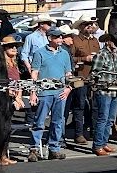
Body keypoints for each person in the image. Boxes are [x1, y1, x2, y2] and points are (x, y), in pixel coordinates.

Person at [28, 28, 72, 162]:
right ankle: (34, 149)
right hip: (44, 93)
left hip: (60, 93)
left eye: (61, 37)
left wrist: (68, 88)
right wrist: (33, 92)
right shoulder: (39, 53)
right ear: (50, 38)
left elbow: (68, 74)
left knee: (58, 122)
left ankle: (54, 149)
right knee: (39, 122)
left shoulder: (64, 53)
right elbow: (34, 73)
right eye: (57, 37)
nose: (60, 39)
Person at [90, 33, 117, 156]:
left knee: (110, 119)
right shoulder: (101, 55)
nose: (116, 45)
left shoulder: (116, 55)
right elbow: (94, 74)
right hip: (103, 91)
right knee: (103, 118)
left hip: (115, 91)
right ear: (108, 42)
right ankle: (97, 145)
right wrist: (102, 81)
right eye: (114, 43)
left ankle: (104, 143)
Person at [71, 16, 100, 145]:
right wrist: (84, 59)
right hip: (80, 76)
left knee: (95, 105)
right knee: (80, 105)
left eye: (91, 24)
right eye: (86, 24)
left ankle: (94, 131)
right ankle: (79, 134)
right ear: (80, 27)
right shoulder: (75, 41)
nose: (89, 26)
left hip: (94, 77)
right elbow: (70, 58)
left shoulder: (95, 41)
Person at [1, 35, 24, 166]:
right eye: (11, 46)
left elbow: (18, 82)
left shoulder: (14, 64)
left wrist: (19, 96)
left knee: (7, 128)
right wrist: (11, 94)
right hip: (3, 99)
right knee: (1, 128)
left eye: (16, 46)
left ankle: (3, 155)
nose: (14, 48)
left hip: (13, 99)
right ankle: (0, 156)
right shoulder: (1, 64)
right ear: (4, 49)